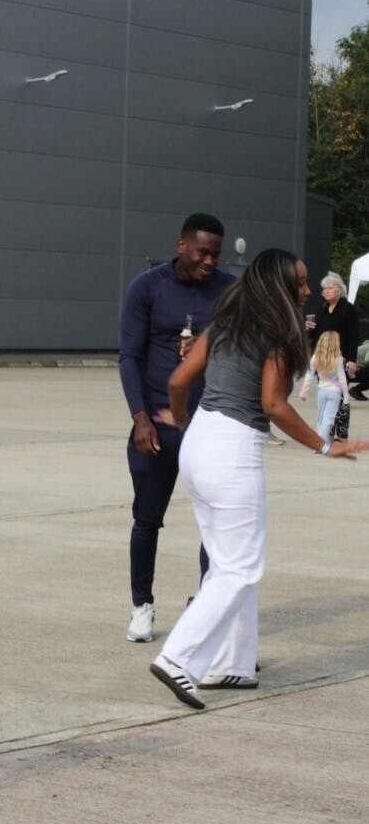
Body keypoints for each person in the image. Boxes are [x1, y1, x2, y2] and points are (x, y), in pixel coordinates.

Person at [148, 249, 368, 710]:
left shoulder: (226, 321)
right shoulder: (275, 333)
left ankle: (234, 664)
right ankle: (178, 658)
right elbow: (273, 404)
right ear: (279, 287)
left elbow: (178, 381)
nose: (307, 291)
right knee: (239, 566)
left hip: (201, 440)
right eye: (301, 283)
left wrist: (187, 424)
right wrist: (326, 445)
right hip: (232, 450)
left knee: (232, 559)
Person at [119, 213, 235, 643]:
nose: (209, 261)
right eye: (202, 252)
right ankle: (141, 606)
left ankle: (206, 605)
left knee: (215, 525)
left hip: (209, 426)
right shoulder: (147, 288)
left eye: (216, 255)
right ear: (182, 245)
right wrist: (140, 419)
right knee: (147, 519)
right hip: (157, 427)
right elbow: (128, 356)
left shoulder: (227, 291)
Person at [308, 271, 359, 381]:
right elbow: (316, 333)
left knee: (338, 393)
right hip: (322, 359)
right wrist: (309, 328)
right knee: (323, 391)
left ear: (339, 290)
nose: (326, 291)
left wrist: (352, 360)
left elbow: (354, 335)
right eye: (324, 289)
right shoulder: (323, 307)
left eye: (329, 288)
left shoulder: (348, 309)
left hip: (340, 359)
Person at [299, 331, 350, 438]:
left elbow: (309, 375)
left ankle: (319, 442)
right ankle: (321, 443)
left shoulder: (315, 357)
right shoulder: (338, 359)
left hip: (322, 390)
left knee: (320, 417)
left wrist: (304, 392)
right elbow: (342, 379)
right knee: (329, 418)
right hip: (335, 392)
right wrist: (346, 396)